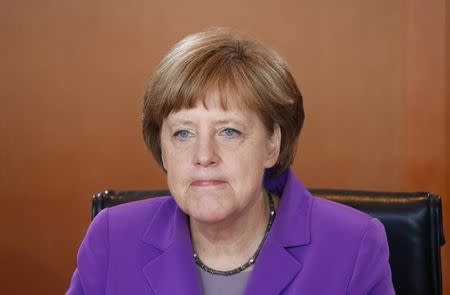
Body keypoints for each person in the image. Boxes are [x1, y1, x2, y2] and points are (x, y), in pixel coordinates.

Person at [67, 28, 395, 294]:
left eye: (228, 131)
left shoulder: (352, 245)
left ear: (272, 145)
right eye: (183, 133)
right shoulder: (112, 238)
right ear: (163, 148)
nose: (203, 155)